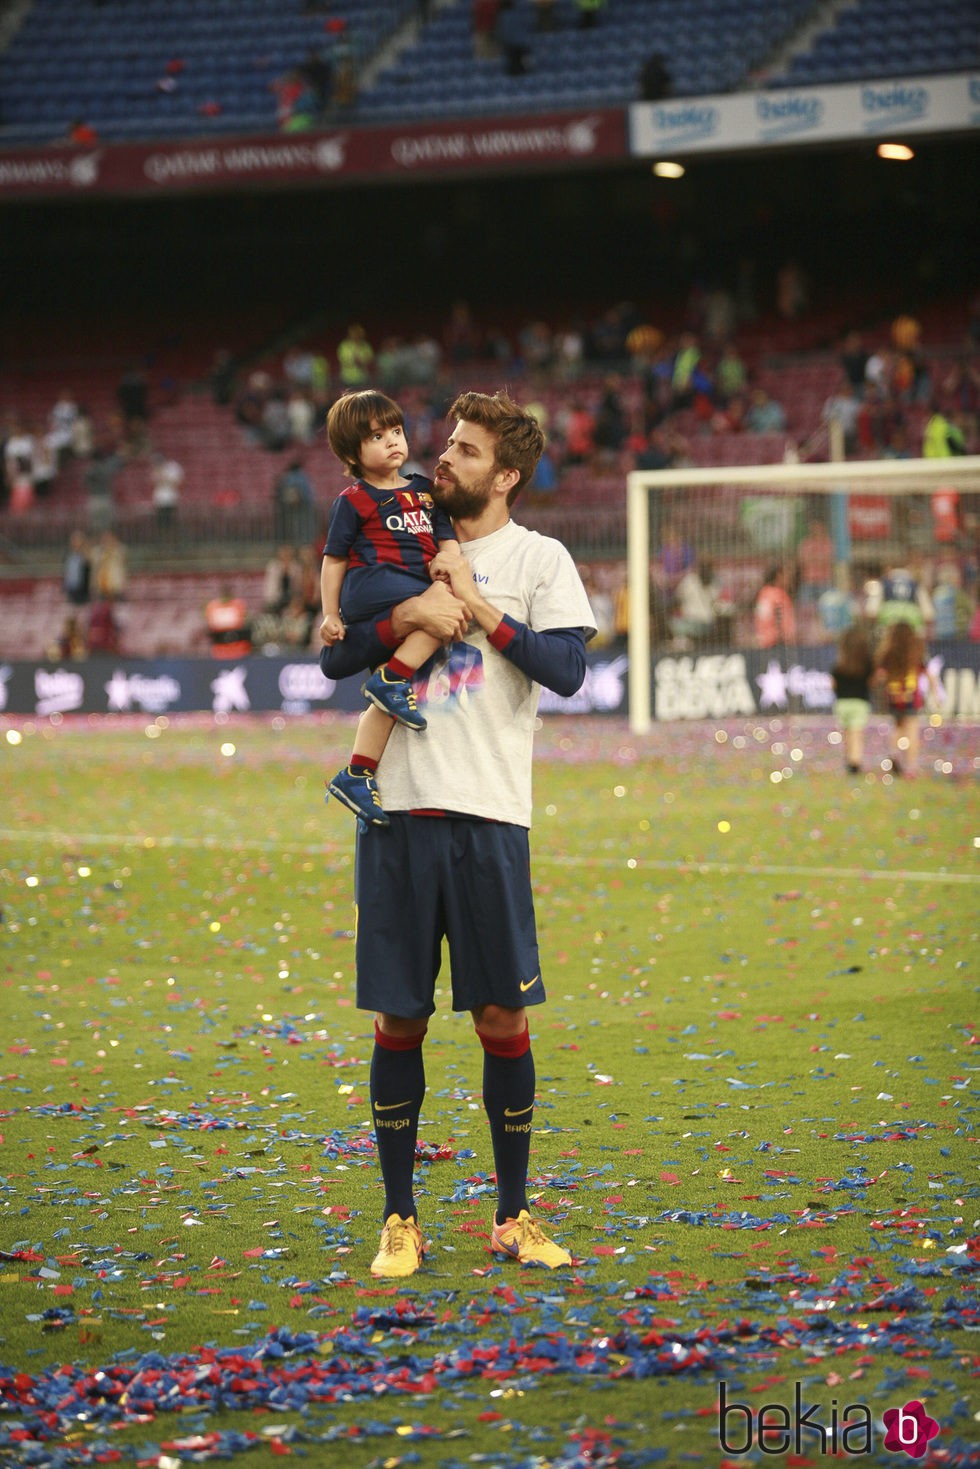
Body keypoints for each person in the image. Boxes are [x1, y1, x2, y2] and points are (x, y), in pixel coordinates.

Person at [319, 390, 595, 1278]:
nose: (446, 458)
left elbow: (566, 670)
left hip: (490, 814)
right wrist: (406, 615)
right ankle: (400, 1217)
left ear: (507, 474)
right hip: (397, 811)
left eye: (468, 451)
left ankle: (512, 1214)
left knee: (501, 1014)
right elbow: (334, 653)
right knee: (399, 1016)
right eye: (450, 444)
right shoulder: (393, 533)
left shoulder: (539, 556)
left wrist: (481, 607)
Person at [320, 390, 460, 826]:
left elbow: (446, 535)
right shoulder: (354, 500)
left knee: (390, 699)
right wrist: (330, 613)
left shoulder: (424, 490)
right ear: (353, 453)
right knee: (442, 609)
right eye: (377, 436)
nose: (392, 441)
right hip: (374, 584)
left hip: (412, 589)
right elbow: (335, 558)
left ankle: (357, 772)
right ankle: (390, 679)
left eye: (395, 431)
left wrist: (448, 560)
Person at [873, 620, 939, 777]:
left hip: (894, 698)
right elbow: (929, 674)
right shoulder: (915, 653)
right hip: (911, 698)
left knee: (897, 728)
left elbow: (880, 676)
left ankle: (894, 755)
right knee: (912, 732)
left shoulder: (887, 653)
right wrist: (935, 694)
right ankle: (911, 768)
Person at [831, 626, 874, 774]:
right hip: (860, 703)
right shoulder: (867, 664)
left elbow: (833, 684)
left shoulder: (839, 665)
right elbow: (871, 683)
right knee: (856, 734)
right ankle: (855, 762)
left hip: (842, 703)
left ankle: (849, 760)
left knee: (847, 734)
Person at [754, 563, 796, 648]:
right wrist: (787, 638)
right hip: (778, 643)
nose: (789, 578)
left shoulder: (763, 593)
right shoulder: (779, 595)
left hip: (763, 642)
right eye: (785, 574)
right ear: (778, 576)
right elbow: (781, 620)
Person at [205, 585, 252, 659]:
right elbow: (211, 625)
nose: (225, 597)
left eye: (227, 595)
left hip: (237, 643)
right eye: (224, 595)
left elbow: (242, 623)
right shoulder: (213, 606)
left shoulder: (238, 605)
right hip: (219, 645)